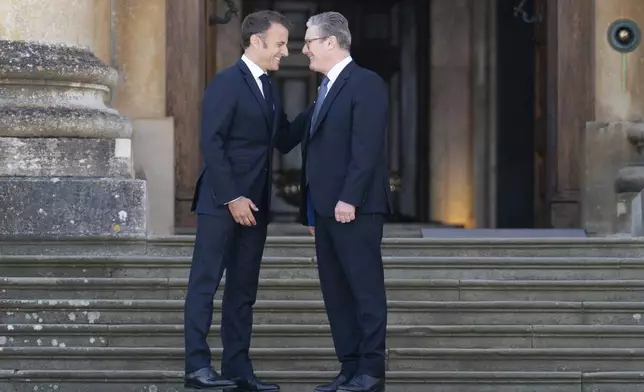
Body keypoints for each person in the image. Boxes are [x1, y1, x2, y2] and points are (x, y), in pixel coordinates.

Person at [183, 10, 294, 392]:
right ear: (257, 41)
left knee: (243, 289)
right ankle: (197, 368)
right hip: (221, 201)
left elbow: (284, 139)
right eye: (280, 43)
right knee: (205, 283)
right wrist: (233, 197)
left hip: (256, 206)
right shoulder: (226, 82)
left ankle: (237, 369)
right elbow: (211, 143)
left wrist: (326, 99)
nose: (286, 51)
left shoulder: (270, 88)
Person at [299, 11, 392, 392]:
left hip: (356, 207)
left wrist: (349, 198)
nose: (303, 49)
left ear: (330, 43)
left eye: (308, 41)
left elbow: (366, 148)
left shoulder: (365, 83)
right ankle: (350, 367)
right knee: (335, 292)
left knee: (364, 290)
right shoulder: (322, 90)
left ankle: (371, 370)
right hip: (324, 210)